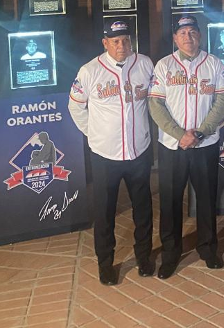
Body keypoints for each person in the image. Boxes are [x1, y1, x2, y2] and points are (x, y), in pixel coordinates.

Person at [67, 19, 155, 286]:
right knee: (104, 213)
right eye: (115, 41)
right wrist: (94, 134)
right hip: (105, 155)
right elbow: (75, 107)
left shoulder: (145, 63)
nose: (121, 45)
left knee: (143, 210)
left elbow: (156, 100)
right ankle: (105, 264)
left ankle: (144, 257)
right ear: (105, 43)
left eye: (126, 40)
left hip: (139, 151)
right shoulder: (89, 70)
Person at [148, 15, 224, 278]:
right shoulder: (164, 65)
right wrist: (179, 134)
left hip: (205, 144)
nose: (188, 37)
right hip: (173, 146)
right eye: (182, 33)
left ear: (200, 35)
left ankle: (208, 249)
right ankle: (170, 254)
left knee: (206, 199)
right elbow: (155, 105)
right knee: (170, 201)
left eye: (192, 32)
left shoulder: (214, 64)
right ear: (175, 38)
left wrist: (200, 132)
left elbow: (222, 102)